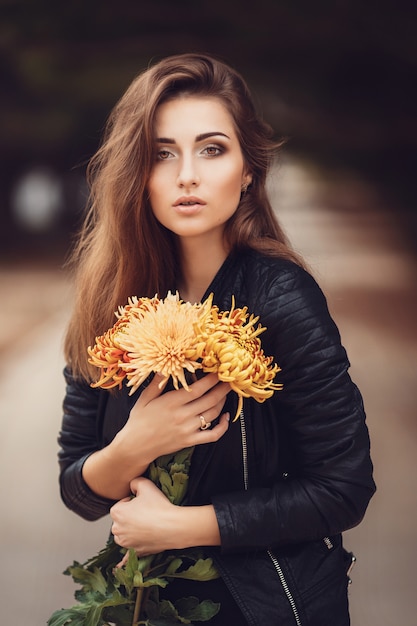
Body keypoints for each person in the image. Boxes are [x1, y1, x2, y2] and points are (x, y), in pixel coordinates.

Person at [58, 53, 375, 625]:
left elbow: (343, 489)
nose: (187, 175)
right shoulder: (109, 297)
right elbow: (77, 486)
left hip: (266, 606)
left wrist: (181, 525)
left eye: (212, 149)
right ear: (138, 172)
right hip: (142, 608)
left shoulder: (281, 298)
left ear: (249, 170)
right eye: (162, 154)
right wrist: (135, 445)